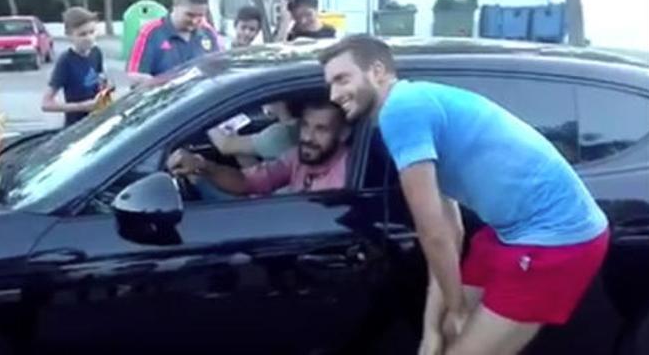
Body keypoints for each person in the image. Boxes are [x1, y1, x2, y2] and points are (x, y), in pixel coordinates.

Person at [318, 35, 609, 355]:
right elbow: (450, 231)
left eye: (342, 79)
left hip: (556, 240)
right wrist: (432, 329)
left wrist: (457, 311)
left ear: (377, 71)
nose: (334, 94)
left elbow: (434, 233)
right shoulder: (415, 104)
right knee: (446, 333)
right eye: (330, 84)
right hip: (510, 233)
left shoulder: (401, 111)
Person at [168, 100, 349, 197]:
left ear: (343, 134)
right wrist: (202, 165)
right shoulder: (298, 158)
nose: (308, 137)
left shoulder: (346, 171)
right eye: (305, 126)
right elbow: (248, 181)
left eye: (321, 129)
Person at [126, 0, 221, 83]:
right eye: (190, 15)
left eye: (200, 16)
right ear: (175, 4)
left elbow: (220, 71)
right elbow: (134, 75)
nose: (194, 21)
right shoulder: (150, 32)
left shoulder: (209, 33)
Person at [41, 6, 112, 127]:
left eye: (92, 32)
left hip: (98, 122)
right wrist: (83, 106)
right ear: (69, 35)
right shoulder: (65, 61)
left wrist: (106, 90)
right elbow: (46, 104)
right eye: (82, 34)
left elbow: (101, 80)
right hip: (77, 127)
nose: (89, 38)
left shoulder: (96, 52)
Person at [206, 100, 299, 161]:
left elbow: (224, 145)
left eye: (267, 98)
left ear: (280, 101)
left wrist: (207, 118)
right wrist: (238, 145)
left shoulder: (281, 134)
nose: (262, 102)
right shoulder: (299, 127)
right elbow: (254, 172)